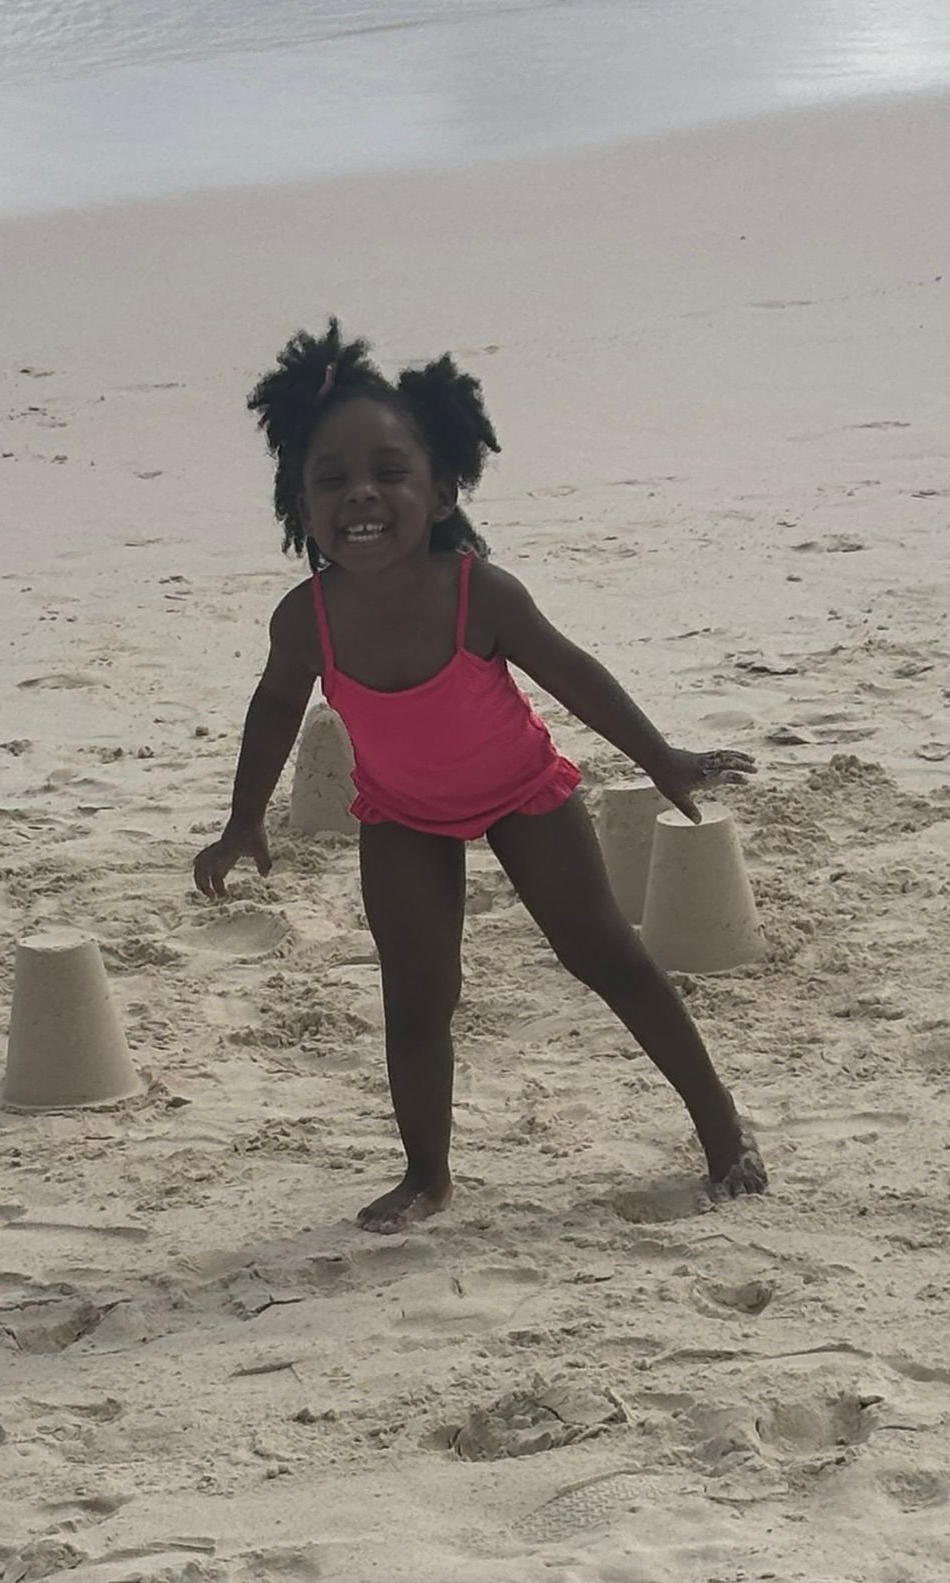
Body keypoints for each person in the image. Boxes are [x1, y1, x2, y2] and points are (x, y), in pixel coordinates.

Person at [194, 320, 767, 1232]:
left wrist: (665, 760)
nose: (362, 496)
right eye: (330, 479)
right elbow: (271, 711)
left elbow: (574, 674)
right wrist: (243, 819)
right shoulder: (306, 618)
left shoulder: (477, 593)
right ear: (297, 500)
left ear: (444, 487)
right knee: (418, 995)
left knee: (608, 959)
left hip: (521, 794)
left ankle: (724, 1135)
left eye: (389, 472)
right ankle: (427, 1174)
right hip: (401, 813)